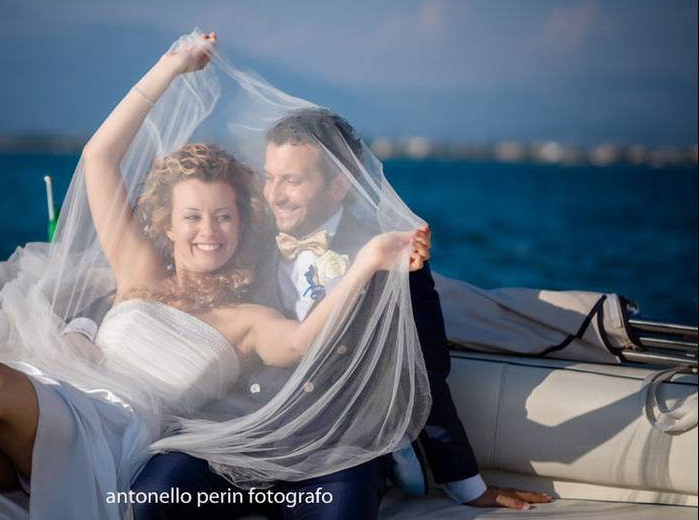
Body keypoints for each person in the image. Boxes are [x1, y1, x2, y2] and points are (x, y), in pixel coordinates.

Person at [0, 32, 431, 520]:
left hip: (110, 438)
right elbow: (100, 160)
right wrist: (166, 70)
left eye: (223, 219)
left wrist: (371, 259)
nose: (208, 232)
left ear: (243, 224)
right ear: (168, 222)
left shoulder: (247, 318)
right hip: (47, 410)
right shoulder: (141, 270)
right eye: (193, 217)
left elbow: (305, 340)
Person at [131, 108, 554, 519]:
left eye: (292, 180)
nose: (274, 194)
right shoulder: (241, 229)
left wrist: (466, 485)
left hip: (335, 451)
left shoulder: (392, 260)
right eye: (269, 177)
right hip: (237, 436)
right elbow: (174, 229)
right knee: (148, 504)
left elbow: (423, 371)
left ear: (338, 186)